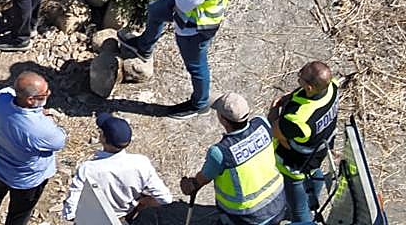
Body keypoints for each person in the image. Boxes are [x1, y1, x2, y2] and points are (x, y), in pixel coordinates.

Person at [0, 71, 66, 225]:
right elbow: (59, 141)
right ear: (30, 100)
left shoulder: (1, 99)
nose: (48, 95)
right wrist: (45, 117)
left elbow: (9, 91)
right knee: (19, 214)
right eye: (45, 93)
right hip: (26, 180)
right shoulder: (40, 129)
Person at [181, 93, 286, 225]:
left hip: (247, 217)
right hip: (278, 203)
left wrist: (191, 185)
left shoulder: (220, 152)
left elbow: (202, 180)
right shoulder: (262, 123)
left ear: (223, 120)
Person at [62, 113, 173, 222]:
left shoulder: (88, 169)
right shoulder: (141, 163)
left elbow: (70, 210)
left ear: (103, 139)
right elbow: (166, 198)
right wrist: (144, 202)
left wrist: (75, 217)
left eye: (101, 132)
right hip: (124, 215)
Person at [269, 61, 339, 225]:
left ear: (309, 88)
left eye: (300, 77)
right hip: (318, 153)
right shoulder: (332, 87)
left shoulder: (298, 119)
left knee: (299, 211)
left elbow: (274, 130)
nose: (298, 77)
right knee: (315, 173)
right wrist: (290, 98)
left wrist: (273, 109)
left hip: (295, 166)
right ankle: (311, 198)